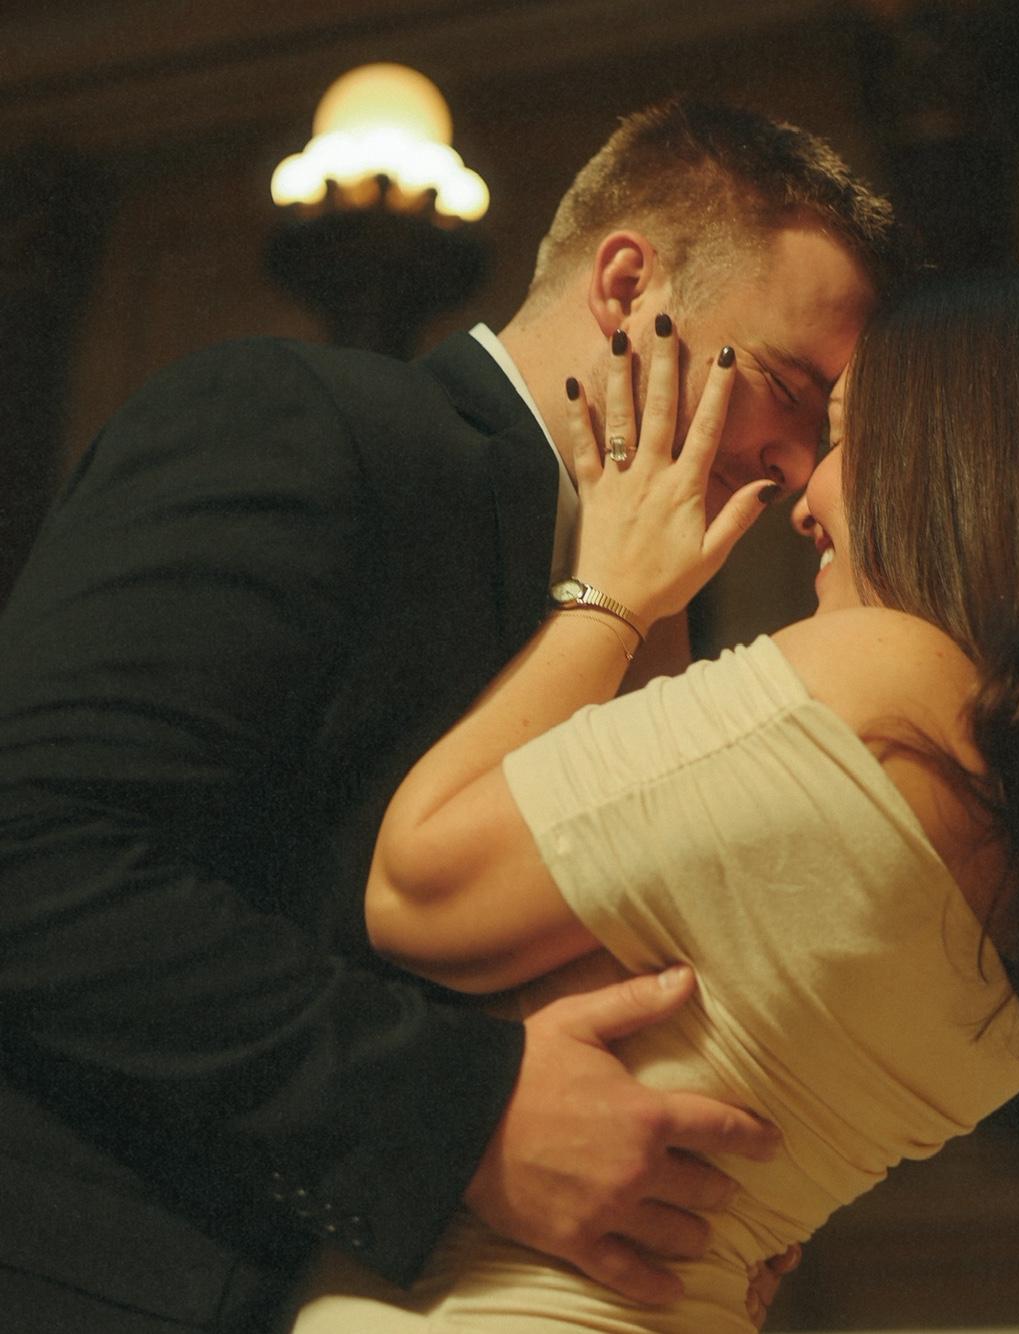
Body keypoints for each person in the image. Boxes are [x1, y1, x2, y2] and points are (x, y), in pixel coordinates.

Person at [0, 100, 897, 1332]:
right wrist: (461, 1114)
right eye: (787, 389)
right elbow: (30, 848)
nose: (796, 465)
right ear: (626, 284)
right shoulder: (309, 423)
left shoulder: (672, 621)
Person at [289, 269, 1019, 1331]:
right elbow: (664, 861)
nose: (806, 495)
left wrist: (612, 593)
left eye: (841, 434)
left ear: (951, 458)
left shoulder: (889, 677)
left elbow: (418, 888)